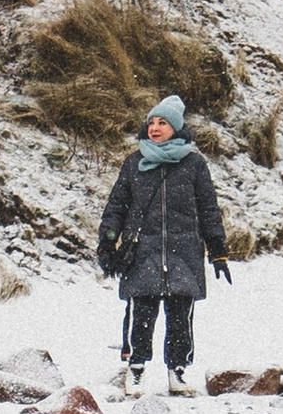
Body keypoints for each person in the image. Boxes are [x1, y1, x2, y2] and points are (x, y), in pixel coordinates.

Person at [95, 93, 230, 396]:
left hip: (184, 251)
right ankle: (136, 370)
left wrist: (218, 250)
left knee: (181, 315)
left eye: (163, 123)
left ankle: (177, 373)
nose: (155, 128)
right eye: (152, 122)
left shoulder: (194, 164)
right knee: (140, 314)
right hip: (142, 249)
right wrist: (107, 242)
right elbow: (116, 206)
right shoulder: (134, 162)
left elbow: (209, 208)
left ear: (177, 128)